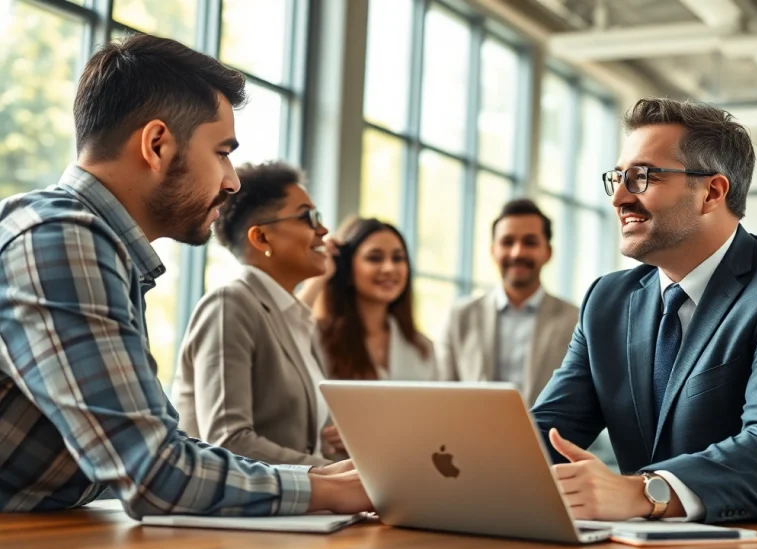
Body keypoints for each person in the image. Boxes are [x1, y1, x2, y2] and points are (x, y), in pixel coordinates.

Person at [0, 34, 369, 518]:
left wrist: (316, 475)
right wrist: (335, 490)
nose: (232, 181)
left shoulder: (95, 244)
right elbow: (153, 472)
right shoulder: (61, 237)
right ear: (156, 144)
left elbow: (151, 453)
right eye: (221, 152)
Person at [529, 97, 757, 524]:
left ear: (712, 192)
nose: (620, 198)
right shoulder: (607, 301)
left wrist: (643, 493)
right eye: (618, 178)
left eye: (642, 177)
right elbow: (546, 432)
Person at [172, 161, 335, 466]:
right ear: (261, 238)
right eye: (308, 217)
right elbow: (227, 442)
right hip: (234, 510)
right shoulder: (230, 305)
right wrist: (335, 472)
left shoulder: (295, 319)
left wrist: (329, 448)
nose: (323, 230)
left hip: (292, 509)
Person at [297, 217, 435, 457]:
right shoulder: (315, 336)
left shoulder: (422, 347)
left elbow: (434, 425)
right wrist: (320, 275)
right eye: (375, 258)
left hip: (408, 477)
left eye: (398, 258)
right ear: (346, 268)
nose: (390, 268)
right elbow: (278, 327)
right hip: (334, 476)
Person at [436, 198, 579, 407]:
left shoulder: (575, 320)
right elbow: (442, 394)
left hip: (546, 438)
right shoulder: (460, 316)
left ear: (547, 252)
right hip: (470, 437)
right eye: (507, 242)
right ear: (493, 250)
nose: (517, 252)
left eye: (529, 242)